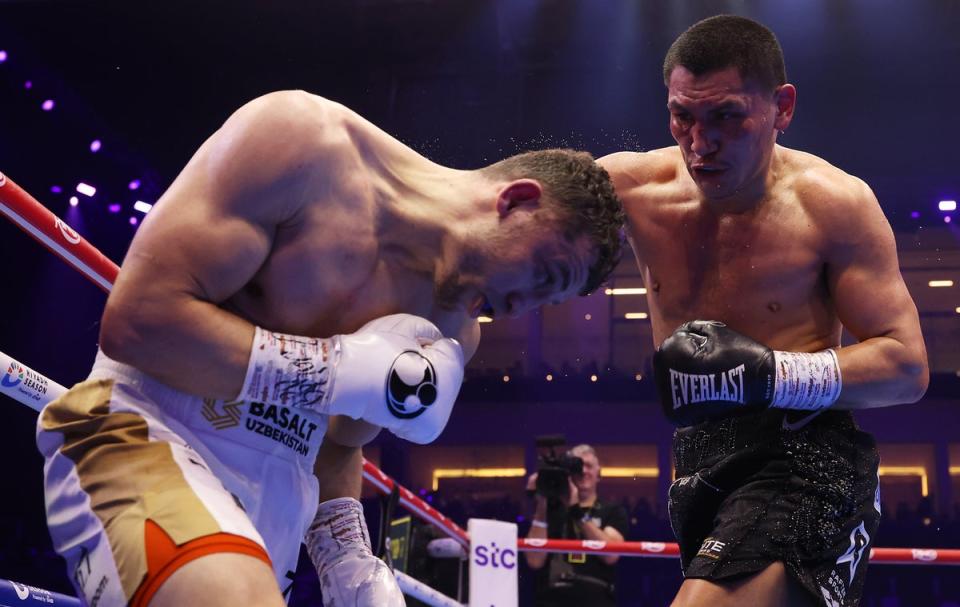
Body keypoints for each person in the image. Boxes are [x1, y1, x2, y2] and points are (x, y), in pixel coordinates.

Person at [36, 90, 625, 607]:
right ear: (515, 200)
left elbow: (339, 448)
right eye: (542, 276)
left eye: (546, 303)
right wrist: (333, 370)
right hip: (149, 432)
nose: (520, 309)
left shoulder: (451, 331)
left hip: (280, 498)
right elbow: (138, 322)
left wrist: (348, 558)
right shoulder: (303, 146)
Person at [599, 15, 928, 607]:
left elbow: (906, 367)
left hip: (806, 457)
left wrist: (769, 374)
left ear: (782, 107)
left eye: (725, 115)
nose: (700, 143)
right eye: (683, 117)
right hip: (697, 464)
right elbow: (495, 214)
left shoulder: (833, 204)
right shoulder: (630, 188)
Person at [524, 444, 628, 607]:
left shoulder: (612, 511)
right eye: (578, 466)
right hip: (551, 598)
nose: (584, 471)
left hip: (595, 598)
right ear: (568, 473)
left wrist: (576, 510)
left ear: (598, 474)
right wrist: (543, 499)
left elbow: (611, 555)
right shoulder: (550, 512)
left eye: (589, 466)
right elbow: (534, 560)